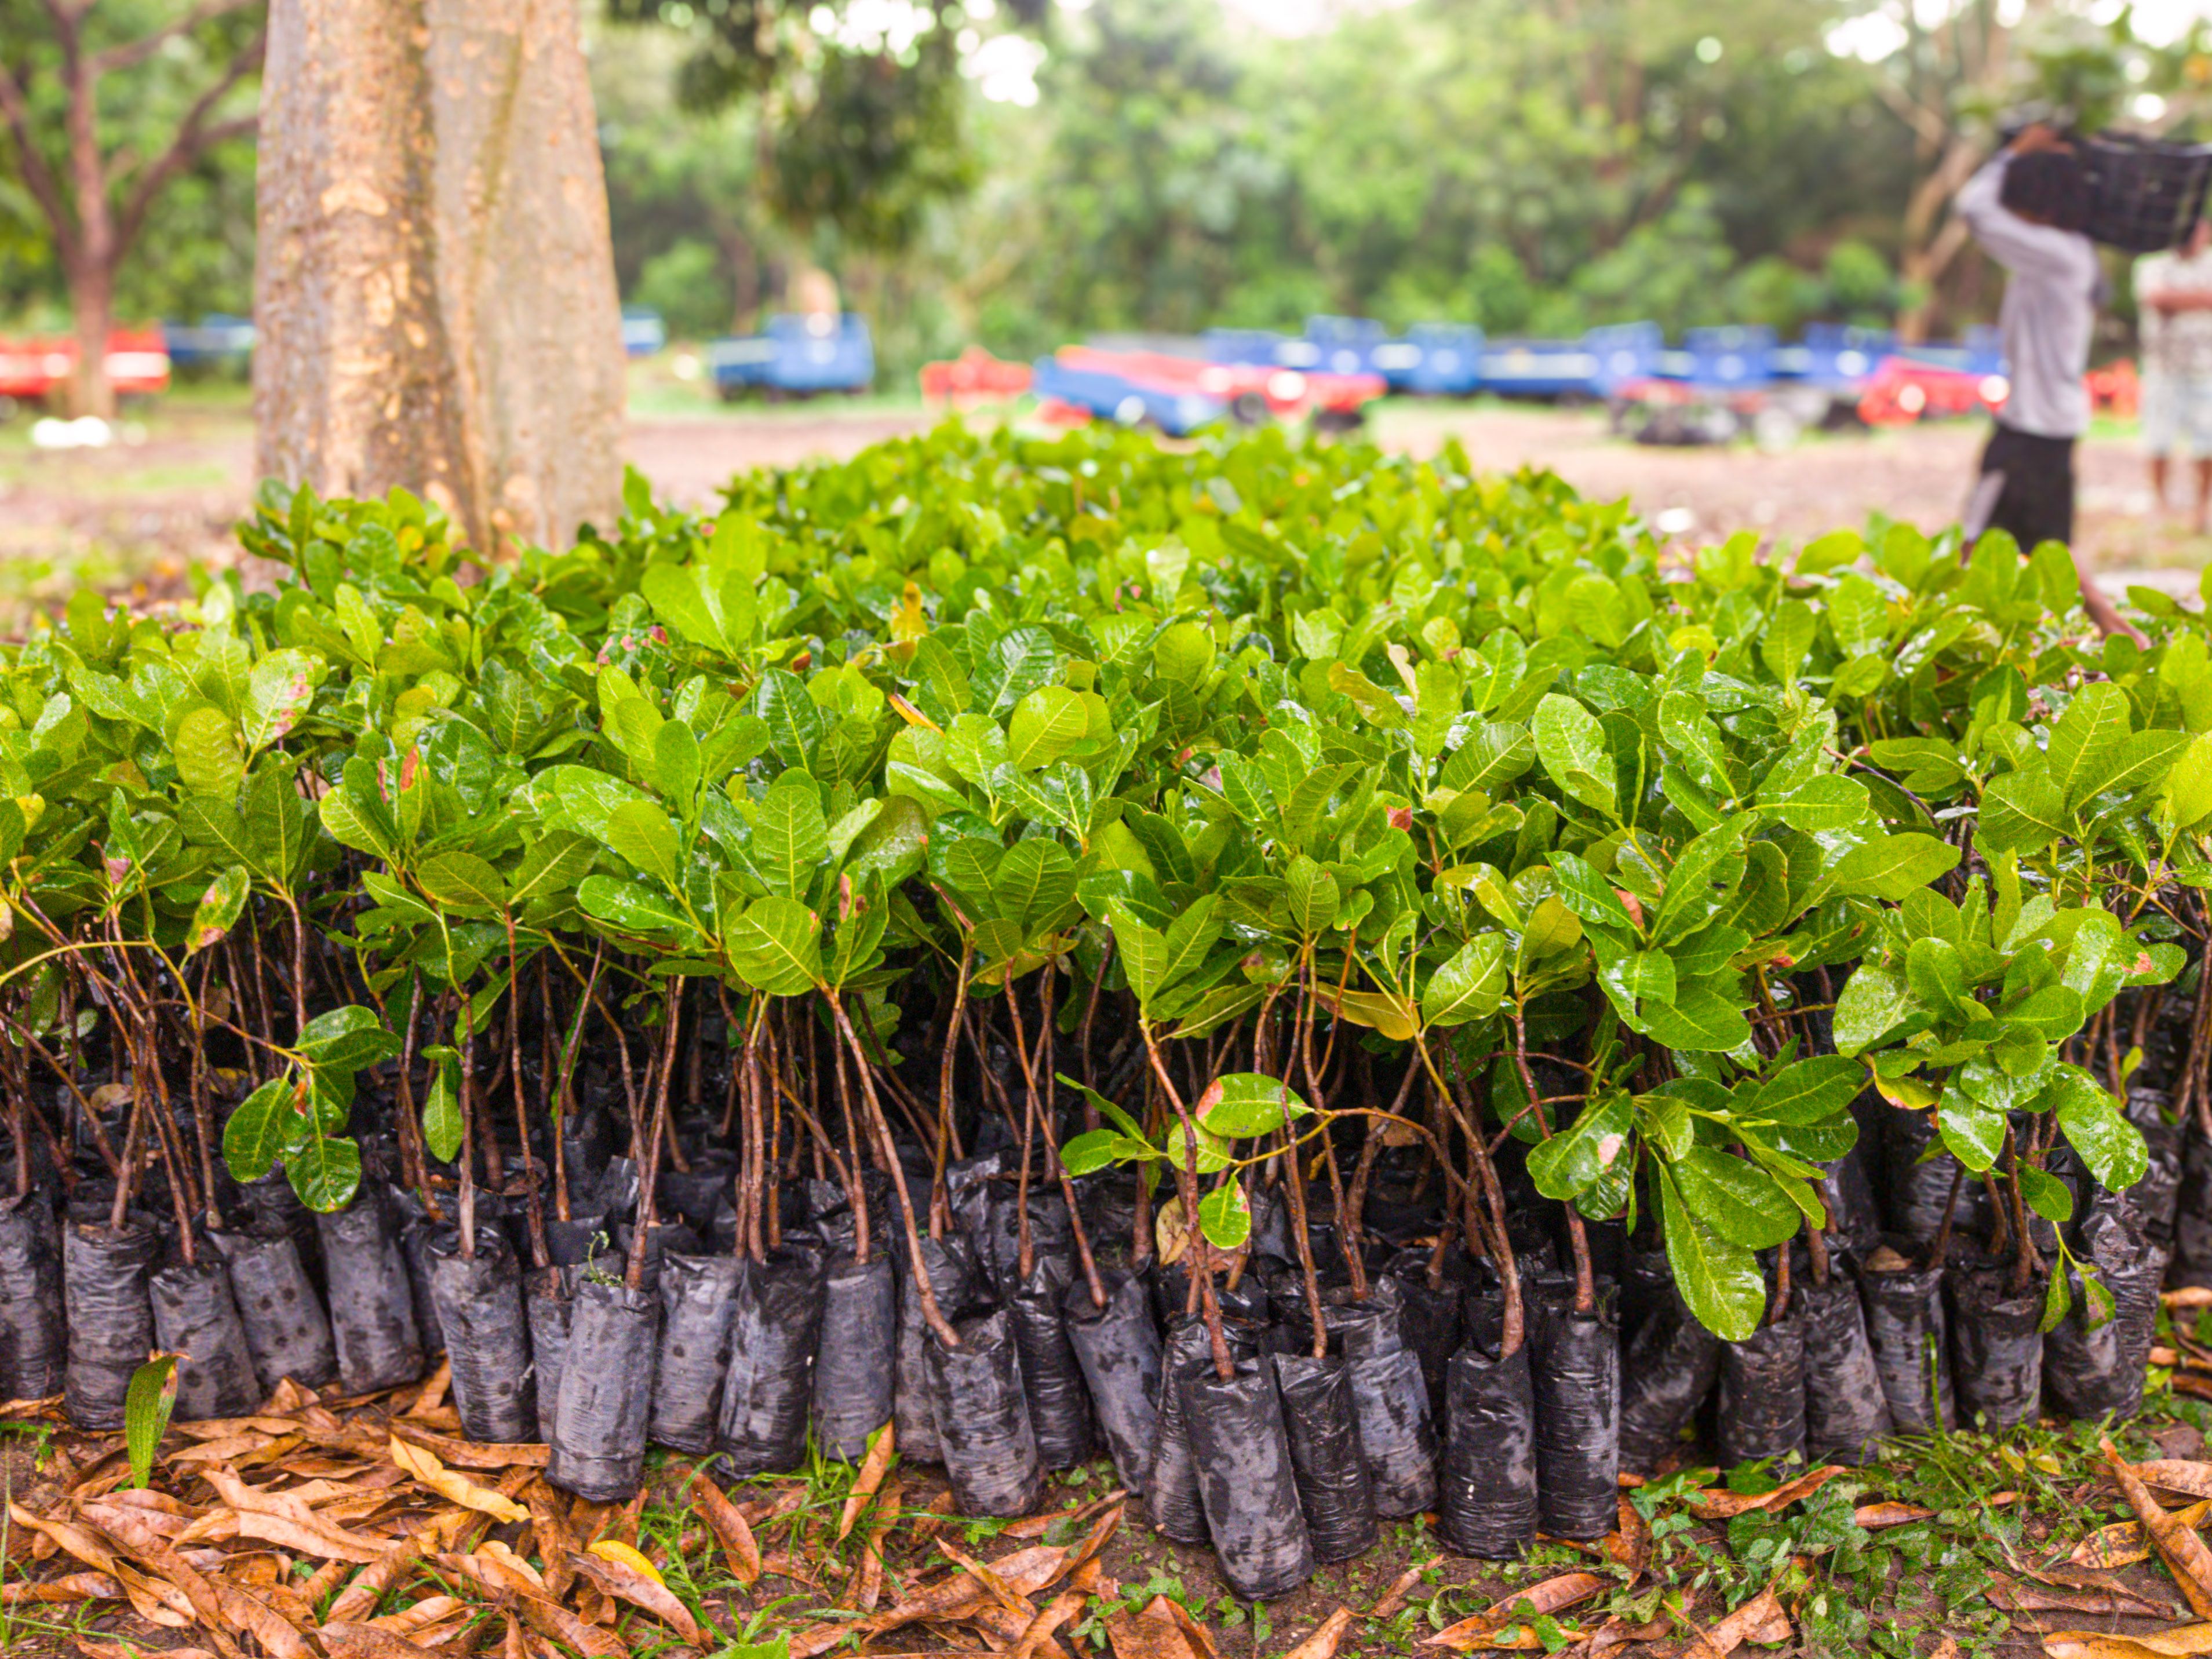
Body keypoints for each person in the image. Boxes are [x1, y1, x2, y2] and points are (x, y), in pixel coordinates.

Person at [1955, 123, 2142, 643]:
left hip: (2032, 422)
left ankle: (1943, 633)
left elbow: (1973, 209)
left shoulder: (2054, 254)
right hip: (2047, 417)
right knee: (2047, 539)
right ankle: (2114, 628)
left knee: (1977, 534)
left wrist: (2014, 152)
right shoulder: (2067, 250)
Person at [2134, 214, 2212, 531]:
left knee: (2208, 441)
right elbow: (2156, 299)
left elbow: (2167, 299)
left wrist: (2178, 299)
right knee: (2158, 438)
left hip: (2206, 367)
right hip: (2162, 365)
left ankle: (2202, 509)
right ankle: (2160, 503)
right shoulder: (2154, 262)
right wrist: (2202, 298)